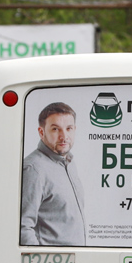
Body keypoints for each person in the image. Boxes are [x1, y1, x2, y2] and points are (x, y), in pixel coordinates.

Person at [21, 102, 86, 246]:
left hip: (76, 262)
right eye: (55, 129)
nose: (64, 136)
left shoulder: (68, 162)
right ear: (41, 132)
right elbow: (23, 227)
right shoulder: (34, 169)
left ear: (74, 129)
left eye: (69, 129)